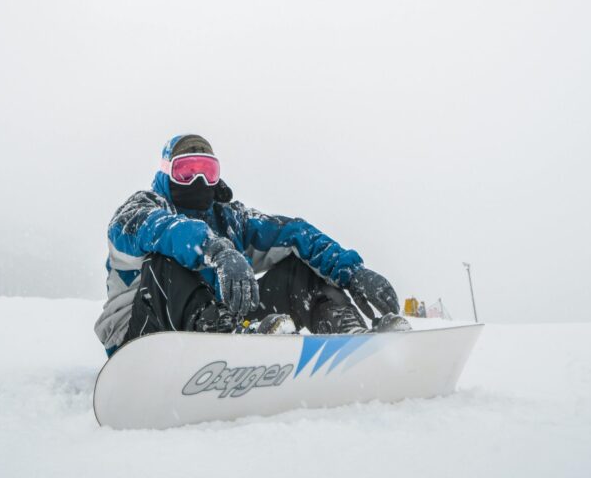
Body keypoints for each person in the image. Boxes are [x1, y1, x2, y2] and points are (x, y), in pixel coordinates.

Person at [95, 134, 409, 356]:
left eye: (207, 171)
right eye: (186, 171)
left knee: (298, 266)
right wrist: (217, 250)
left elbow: (294, 233)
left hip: (223, 326)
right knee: (166, 260)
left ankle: (348, 335)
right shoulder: (140, 210)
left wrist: (352, 272)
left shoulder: (231, 220)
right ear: (166, 173)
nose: (199, 181)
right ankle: (227, 338)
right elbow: (166, 231)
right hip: (138, 339)